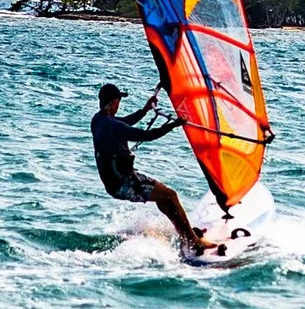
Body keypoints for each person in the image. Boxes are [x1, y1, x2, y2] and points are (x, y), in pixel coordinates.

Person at [92, 82, 214, 250]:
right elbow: (146, 135)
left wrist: (145, 109)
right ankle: (194, 242)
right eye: (119, 101)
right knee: (170, 196)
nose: (119, 105)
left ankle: (186, 235)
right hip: (126, 183)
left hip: (114, 183)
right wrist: (172, 125)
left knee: (164, 197)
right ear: (113, 102)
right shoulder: (114, 126)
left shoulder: (98, 121)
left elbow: (126, 121)